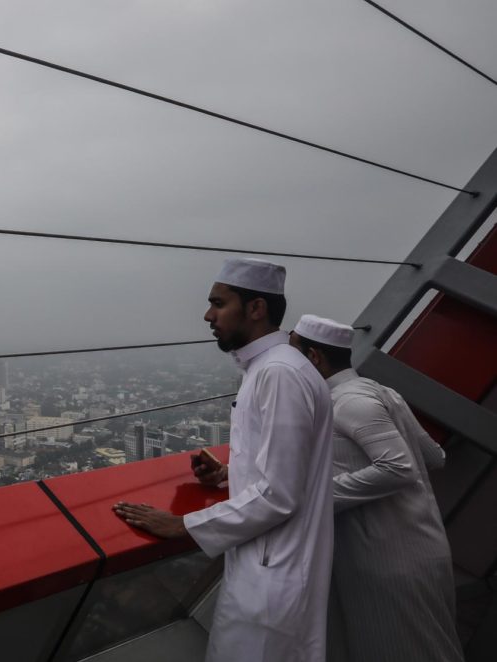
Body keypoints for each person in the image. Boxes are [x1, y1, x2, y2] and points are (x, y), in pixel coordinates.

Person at [113, 258, 334, 662]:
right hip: (268, 563)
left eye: (219, 303)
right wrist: (227, 475)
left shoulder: (279, 374)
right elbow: (282, 468)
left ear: (256, 308)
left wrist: (184, 524)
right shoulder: (271, 368)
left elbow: (280, 493)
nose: (208, 315)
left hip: (272, 573)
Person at [290, 315, 463, 662]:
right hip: (418, 546)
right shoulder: (382, 392)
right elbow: (434, 456)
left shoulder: (349, 402)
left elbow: (399, 468)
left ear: (314, 358)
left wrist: (315, 499)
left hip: (388, 560)